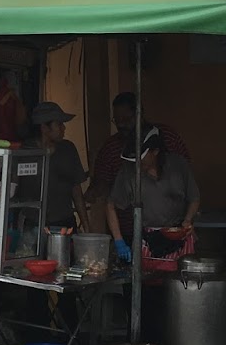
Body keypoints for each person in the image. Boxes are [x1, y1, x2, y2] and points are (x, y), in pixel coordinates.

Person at [106, 126, 200, 263]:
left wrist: (188, 220)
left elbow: (194, 198)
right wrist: (119, 240)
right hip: (147, 239)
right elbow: (111, 205)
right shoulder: (128, 172)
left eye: (141, 159)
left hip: (179, 235)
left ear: (155, 151)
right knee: (147, 281)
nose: (137, 164)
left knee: (181, 282)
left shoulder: (178, 165)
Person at [87, 92, 189, 204]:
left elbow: (185, 172)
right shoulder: (110, 148)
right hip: (126, 219)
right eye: (117, 120)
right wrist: (95, 191)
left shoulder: (167, 136)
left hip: (168, 215)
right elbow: (102, 182)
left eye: (126, 119)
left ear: (140, 114)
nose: (120, 125)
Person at [31, 101, 88, 230]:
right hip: (33, 224)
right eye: (59, 124)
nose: (64, 128)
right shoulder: (25, 152)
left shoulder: (68, 149)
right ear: (44, 127)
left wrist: (86, 227)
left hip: (65, 224)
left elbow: (77, 192)